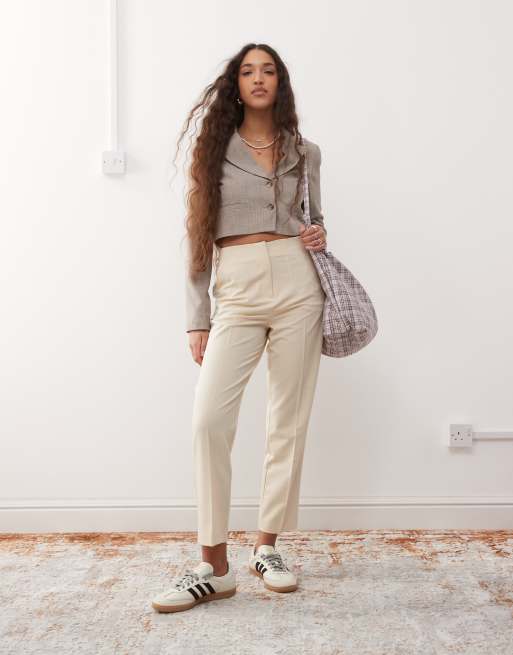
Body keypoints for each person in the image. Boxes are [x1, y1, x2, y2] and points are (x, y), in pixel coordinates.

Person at [152, 42, 327, 613]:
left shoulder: (305, 151)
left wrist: (317, 234)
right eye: (248, 71)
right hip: (238, 287)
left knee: (287, 419)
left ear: (280, 83)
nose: (258, 78)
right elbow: (198, 237)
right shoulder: (214, 150)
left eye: (268, 70)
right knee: (209, 420)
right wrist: (196, 318)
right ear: (236, 83)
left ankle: (267, 547)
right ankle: (214, 565)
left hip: (299, 283)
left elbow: (315, 221)